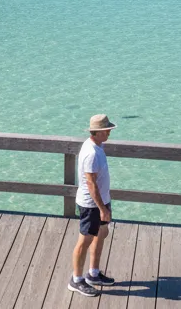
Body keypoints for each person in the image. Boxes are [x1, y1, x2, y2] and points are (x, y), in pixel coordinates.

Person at [67, 114, 117, 298]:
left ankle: (93, 274)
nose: (109, 133)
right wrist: (102, 209)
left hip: (103, 200)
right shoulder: (91, 153)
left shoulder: (98, 146)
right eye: (106, 130)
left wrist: (105, 205)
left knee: (102, 233)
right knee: (85, 240)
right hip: (91, 205)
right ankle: (76, 280)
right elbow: (90, 184)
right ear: (96, 132)